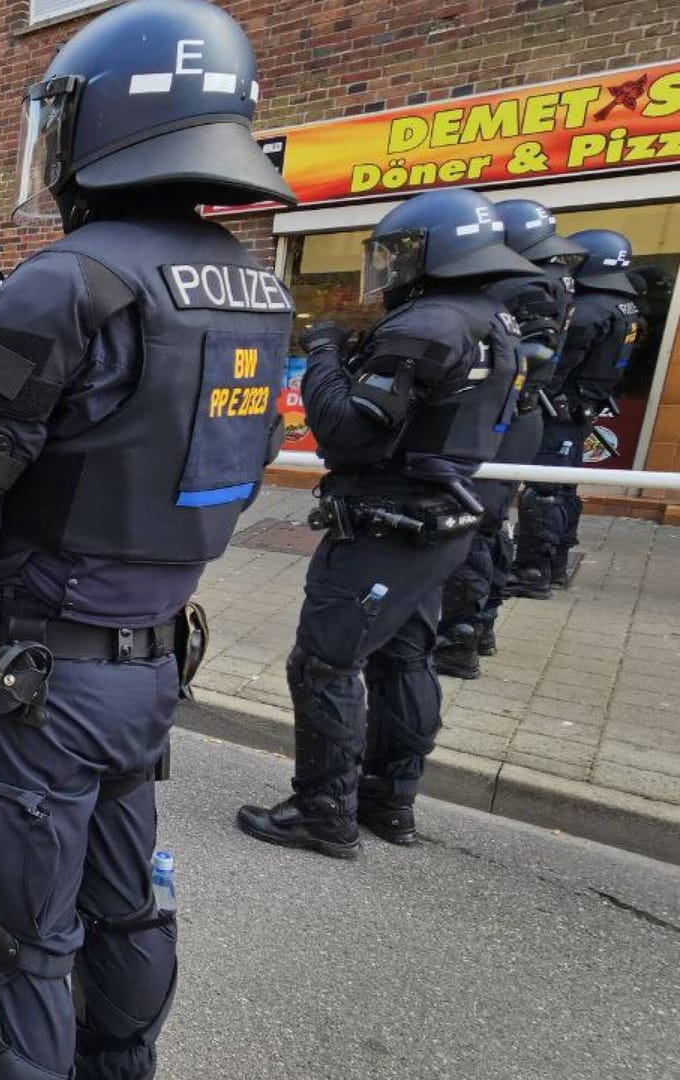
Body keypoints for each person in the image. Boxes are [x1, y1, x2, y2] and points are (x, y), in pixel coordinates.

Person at [0, 4, 300, 1076]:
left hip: (45, 679)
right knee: (128, 910)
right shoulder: (255, 285)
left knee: (23, 943)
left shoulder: (66, 282)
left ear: (97, 124)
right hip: (152, 658)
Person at [235, 188, 536, 859]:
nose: (388, 268)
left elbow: (345, 432)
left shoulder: (427, 325)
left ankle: (323, 812)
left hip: (386, 524)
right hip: (441, 520)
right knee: (404, 659)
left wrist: (321, 353)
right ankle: (388, 800)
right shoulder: (495, 320)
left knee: (324, 664)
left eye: (398, 254)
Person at [432, 199, 584, 678]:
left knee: (473, 526)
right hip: (519, 417)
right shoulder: (554, 279)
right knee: (491, 523)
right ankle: (480, 624)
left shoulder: (525, 284)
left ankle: (459, 636)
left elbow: (533, 356)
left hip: (504, 419)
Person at [509, 228, 647, 597]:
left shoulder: (587, 311)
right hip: (584, 407)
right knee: (563, 486)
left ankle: (533, 570)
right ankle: (555, 560)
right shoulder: (624, 306)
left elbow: (555, 367)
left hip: (560, 410)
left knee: (543, 490)